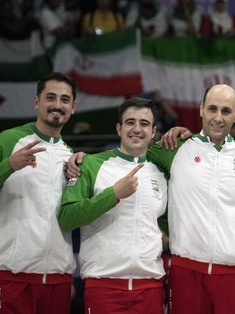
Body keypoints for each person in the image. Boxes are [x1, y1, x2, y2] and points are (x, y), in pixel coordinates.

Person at [0, 72, 78, 314]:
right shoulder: (9, 140)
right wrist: (9, 165)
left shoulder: (70, 155)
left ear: (73, 107)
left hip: (58, 277)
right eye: (51, 97)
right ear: (37, 102)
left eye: (65, 100)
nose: (58, 105)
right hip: (13, 276)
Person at [148, 84, 235, 314]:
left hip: (234, 272)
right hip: (186, 270)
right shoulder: (174, 148)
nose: (218, 118)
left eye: (226, 111)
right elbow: (131, 154)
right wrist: (84, 159)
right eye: (212, 109)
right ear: (201, 109)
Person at [58, 98, 168, 313]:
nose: (137, 129)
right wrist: (113, 195)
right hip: (103, 287)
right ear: (119, 128)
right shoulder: (90, 164)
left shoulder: (162, 173)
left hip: (150, 289)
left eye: (144, 124)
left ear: (153, 131)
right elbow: (67, 218)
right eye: (130, 122)